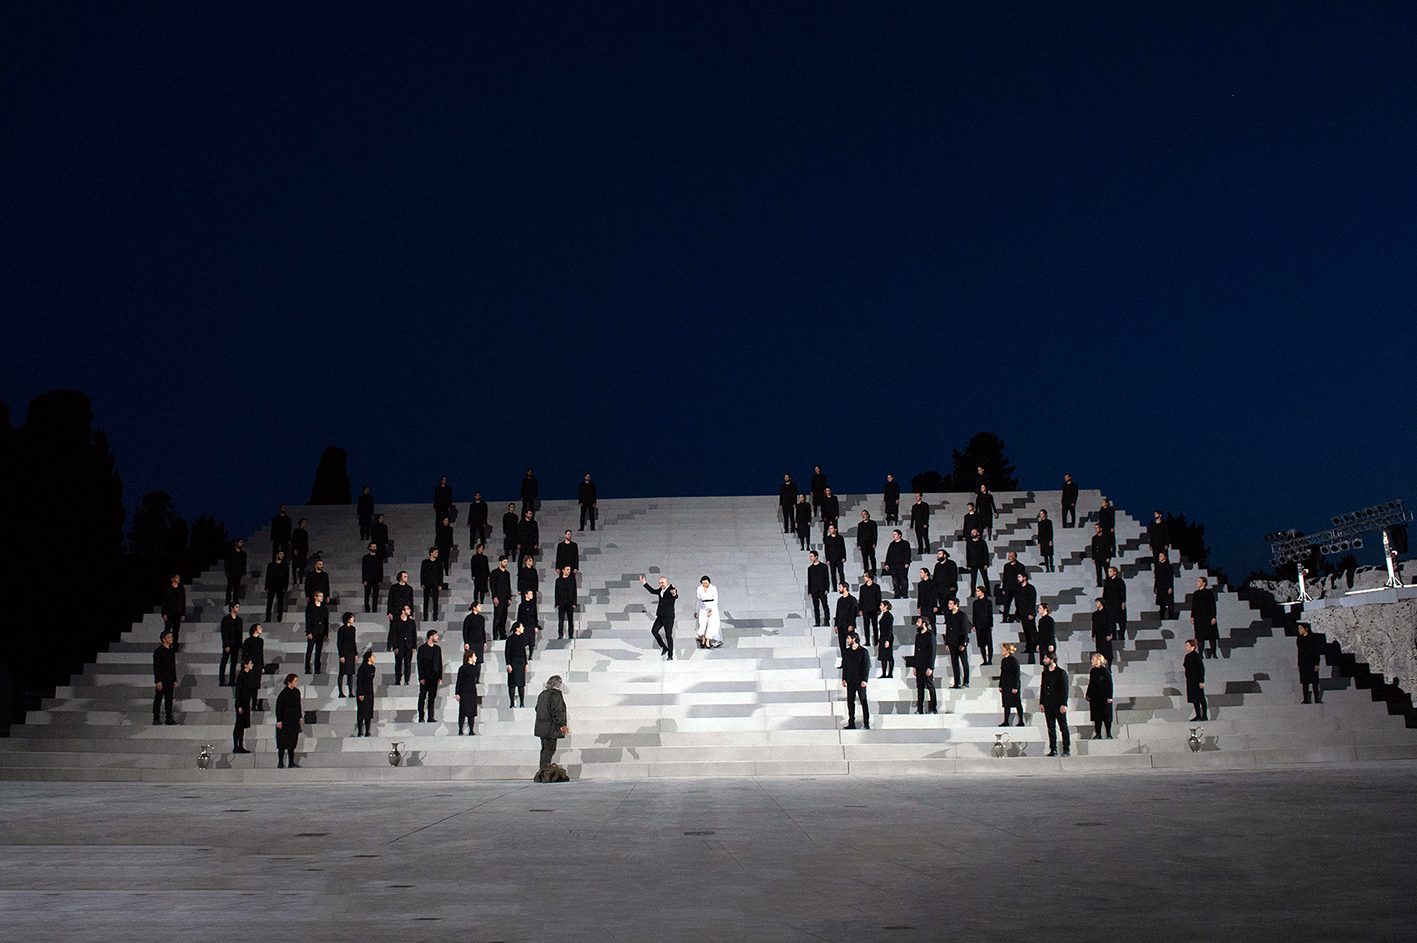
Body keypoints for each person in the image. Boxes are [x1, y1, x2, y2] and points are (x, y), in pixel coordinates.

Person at [1039, 652, 1070, 757]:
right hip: (1048, 704)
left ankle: (1066, 749)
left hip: (1058, 704)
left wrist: (1064, 704)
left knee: (1063, 727)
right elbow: (1043, 688)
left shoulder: (1061, 673)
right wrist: (1042, 703)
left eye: (1046, 658)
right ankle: (1053, 749)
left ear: (1052, 659)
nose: (1044, 660)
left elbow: (1065, 689)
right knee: (1051, 728)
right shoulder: (1045, 673)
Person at [535, 675, 569, 770]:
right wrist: (562, 725)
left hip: (542, 727)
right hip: (551, 728)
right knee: (549, 750)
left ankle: (543, 771)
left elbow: (537, 708)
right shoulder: (556, 695)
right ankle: (544, 772)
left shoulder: (542, 694)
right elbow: (558, 711)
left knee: (545, 750)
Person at [841, 632, 870, 730]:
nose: (847, 641)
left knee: (863, 701)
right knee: (850, 702)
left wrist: (864, 680)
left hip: (860, 680)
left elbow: (866, 667)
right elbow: (845, 666)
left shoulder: (863, 651)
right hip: (850, 680)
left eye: (849, 638)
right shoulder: (847, 651)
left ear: (854, 639)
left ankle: (866, 722)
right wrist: (844, 678)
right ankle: (851, 723)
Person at [274, 673, 302, 768]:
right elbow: (278, 707)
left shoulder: (297, 692)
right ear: (289, 682)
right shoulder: (283, 694)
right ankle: (280, 762)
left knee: (292, 742)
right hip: (285, 720)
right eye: (295, 681)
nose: (296, 683)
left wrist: (300, 717)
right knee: (282, 742)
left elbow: (298, 705)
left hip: (294, 720)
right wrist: (279, 720)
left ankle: (291, 762)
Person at [910, 617, 937, 714]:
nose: (917, 624)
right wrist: (914, 666)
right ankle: (920, 708)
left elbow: (932, 652)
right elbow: (916, 652)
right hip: (919, 665)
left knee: (930, 687)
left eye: (919, 622)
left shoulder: (930, 636)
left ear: (924, 624)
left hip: (927, 666)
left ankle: (933, 708)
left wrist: (931, 667)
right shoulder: (918, 636)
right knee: (920, 688)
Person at [943, 597, 971, 689]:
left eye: (950, 604)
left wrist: (963, 643)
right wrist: (947, 643)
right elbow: (948, 629)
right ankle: (957, 682)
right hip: (952, 643)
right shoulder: (949, 616)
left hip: (960, 643)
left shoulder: (962, 615)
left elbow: (965, 630)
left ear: (956, 605)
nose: (949, 605)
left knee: (964, 662)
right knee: (954, 663)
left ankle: (966, 681)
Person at [232, 657, 258, 753]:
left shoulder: (248, 675)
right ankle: (236, 746)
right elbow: (238, 691)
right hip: (241, 703)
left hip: (246, 702)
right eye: (250, 663)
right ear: (245, 665)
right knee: (239, 725)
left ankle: (240, 745)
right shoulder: (241, 675)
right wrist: (239, 705)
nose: (252, 665)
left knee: (242, 725)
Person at [417, 629, 443, 723]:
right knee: (422, 697)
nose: (438, 637)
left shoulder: (437, 649)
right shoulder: (422, 649)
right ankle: (421, 717)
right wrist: (421, 677)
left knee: (432, 698)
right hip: (425, 677)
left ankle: (430, 717)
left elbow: (440, 663)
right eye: (436, 635)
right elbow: (420, 664)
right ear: (431, 636)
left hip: (434, 677)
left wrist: (440, 677)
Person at [1086, 653, 1114, 739]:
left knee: (1106, 715)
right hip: (1095, 696)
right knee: (1096, 716)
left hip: (1104, 696)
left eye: (1093, 659)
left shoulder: (1105, 671)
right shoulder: (1093, 671)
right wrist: (1088, 694)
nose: (1091, 661)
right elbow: (1091, 683)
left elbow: (1109, 684)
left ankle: (1108, 734)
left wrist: (1109, 696)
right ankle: (1098, 734)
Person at [153, 629, 177, 725]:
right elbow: (157, 667)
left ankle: (169, 718)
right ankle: (156, 718)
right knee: (158, 699)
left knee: (169, 700)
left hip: (170, 679)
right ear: (164, 639)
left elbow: (173, 666)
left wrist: (174, 679)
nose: (172, 639)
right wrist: (158, 681)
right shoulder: (158, 651)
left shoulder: (171, 651)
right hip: (162, 679)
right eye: (169, 637)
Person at [1191, 576, 1219, 658]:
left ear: (1204, 583)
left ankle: (1214, 654)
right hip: (1198, 618)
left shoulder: (1208, 593)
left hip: (1208, 617)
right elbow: (1194, 606)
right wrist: (1192, 616)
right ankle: (1200, 654)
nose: (1197, 582)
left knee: (1212, 637)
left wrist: (1213, 617)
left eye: (1199, 581)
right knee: (1200, 637)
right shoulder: (1196, 593)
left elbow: (1212, 605)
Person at [304, 590, 330, 674]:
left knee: (319, 651)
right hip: (313, 631)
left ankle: (317, 668)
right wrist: (308, 632)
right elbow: (308, 620)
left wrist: (326, 633)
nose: (322, 598)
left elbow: (326, 621)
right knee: (310, 650)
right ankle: (307, 668)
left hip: (321, 632)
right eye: (320, 596)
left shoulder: (324, 608)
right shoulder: (310, 607)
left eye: (322, 596)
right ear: (315, 597)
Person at [456, 650, 481, 735]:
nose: (476, 658)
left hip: (472, 691)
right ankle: (460, 730)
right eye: (474, 656)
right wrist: (457, 693)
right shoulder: (462, 668)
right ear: (470, 657)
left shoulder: (474, 668)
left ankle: (471, 730)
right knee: (463, 711)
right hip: (464, 691)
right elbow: (459, 681)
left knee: (472, 712)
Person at [1297, 622, 1323, 704]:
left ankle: (1317, 699)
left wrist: (1317, 663)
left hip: (1312, 662)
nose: (1299, 630)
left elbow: (1316, 651)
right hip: (1304, 663)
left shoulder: (1312, 638)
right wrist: (1299, 664)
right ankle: (1306, 699)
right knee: (1305, 682)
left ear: (1306, 629)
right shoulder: (1300, 639)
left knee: (1314, 682)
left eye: (1301, 628)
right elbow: (1300, 652)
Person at [241, 624, 266, 711]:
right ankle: (247, 704)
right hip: (250, 665)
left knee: (255, 686)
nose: (261, 629)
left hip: (258, 665)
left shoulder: (260, 641)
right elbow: (244, 653)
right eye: (259, 628)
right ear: (255, 630)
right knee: (249, 686)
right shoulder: (248, 640)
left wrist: (262, 666)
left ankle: (254, 705)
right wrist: (246, 664)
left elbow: (261, 654)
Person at [998, 643, 1024, 727]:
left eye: (1003, 649)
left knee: (1017, 703)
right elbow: (1002, 673)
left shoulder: (1014, 661)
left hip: (1012, 685)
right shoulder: (1004, 661)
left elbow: (1017, 674)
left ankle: (1021, 721)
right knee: (1006, 704)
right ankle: (1006, 721)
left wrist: (1015, 687)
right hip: (1006, 685)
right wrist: (1000, 685)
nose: (1002, 651)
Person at [833, 581, 859, 662]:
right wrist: (836, 625)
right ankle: (844, 661)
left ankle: (852, 661)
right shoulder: (840, 600)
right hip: (841, 625)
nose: (839, 589)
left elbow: (853, 613)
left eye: (840, 587)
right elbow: (837, 613)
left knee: (851, 644)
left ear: (845, 588)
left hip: (848, 626)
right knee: (842, 645)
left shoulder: (852, 599)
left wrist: (851, 624)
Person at [506, 623, 530, 707]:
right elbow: (507, 652)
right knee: (512, 684)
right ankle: (512, 703)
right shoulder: (510, 639)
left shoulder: (522, 638)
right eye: (521, 627)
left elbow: (523, 652)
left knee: (521, 684)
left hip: (521, 663)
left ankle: (522, 703)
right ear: (517, 628)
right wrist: (508, 664)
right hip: (513, 662)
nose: (523, 628)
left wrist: (526, 663)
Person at [391, 605, 416, 685]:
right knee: (398, 663)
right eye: (408, 609)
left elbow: (414, 635)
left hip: (408, 645)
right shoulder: (396, 621)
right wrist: (395, 646)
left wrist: (414, 646)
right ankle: (397, 680)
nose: (410, 610)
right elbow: (393, 634)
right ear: (403, 611)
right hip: (399, 645)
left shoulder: (411, 622)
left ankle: (406, 680)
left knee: (407, 663)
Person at [219, 602, 243, 687]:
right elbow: (224, 633)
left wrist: (240, 645)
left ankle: (232, 680)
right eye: (236, 607)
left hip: (235, 645)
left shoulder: (239, 620)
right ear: (231, 608)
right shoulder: (226, 619)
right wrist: (226, 645)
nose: (237, 609)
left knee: (234, 663)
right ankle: (222, 680)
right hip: (228, 644)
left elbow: (240, 633)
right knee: (224, 662)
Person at [1103, 565, 1128, 646]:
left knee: (1121, 621)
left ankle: (1121, 636)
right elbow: (1105, 593)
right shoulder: (1107, 582)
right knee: (1111, 621)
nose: (1109, 573)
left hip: (1118, 603)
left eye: (1110, 571)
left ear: (1115, 572)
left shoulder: (1120, 581)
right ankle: (1113, 636)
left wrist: (1123, 602)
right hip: (1110, 604)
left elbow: (1123, 592)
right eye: (1108, 571)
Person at [883, 530, 911, 599]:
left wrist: (907, 562)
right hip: (893, 565)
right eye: (893, 534)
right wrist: (887, 564)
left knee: (903, 579)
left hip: (902, 565)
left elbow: (907, 553)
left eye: (895, 534)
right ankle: (897, 593)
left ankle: (904, 593)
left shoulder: (905, 543)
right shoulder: (892, 544)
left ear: (899, 535)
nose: (894, 536)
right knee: (895, 580)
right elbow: (888, 554)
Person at [1184, 639, 1208, 720]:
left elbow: (1201, 669)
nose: (1186, 647)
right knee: (1194, 699)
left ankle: (1204, 715)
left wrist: (1201, 681)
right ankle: (1198, 715)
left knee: (1201, 698)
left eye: (1187, 646)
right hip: (1190, 681)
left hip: (1197, 680)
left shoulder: (1196, 656)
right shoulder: (1187, 656)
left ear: (1193, 647)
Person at [490, 556, 513, 640]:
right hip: (498, 598)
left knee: (504, 617)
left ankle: (503, 634)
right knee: (497, 617)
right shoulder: (494, 573)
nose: (506, 563)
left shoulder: (507, 574)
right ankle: (495, 635)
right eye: (504, 562)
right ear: (500, 562)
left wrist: (509, 598)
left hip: (505, 598)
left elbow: (508, 586)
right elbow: (492, 586)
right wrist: (494, 597)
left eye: (506, 562)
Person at [336, 611, 358, 697]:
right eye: (352, 617)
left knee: (350, 673)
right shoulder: (341, 629)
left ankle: (351, 692)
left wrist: (355, 653)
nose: (353, 619)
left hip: (351, 652)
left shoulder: (353, 629)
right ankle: (340, 692)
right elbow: (339, 643)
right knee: (342, 673)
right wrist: (341, 655)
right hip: (344, 653)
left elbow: (353, 641)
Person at [161, 573, 186, 647]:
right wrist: (164, 613)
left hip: (177, 613)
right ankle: (166, 644)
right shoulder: (168, 589)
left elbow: (183, 602)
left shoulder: (181, 589)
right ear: (172, 579)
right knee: (167, 629)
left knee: (176, 630)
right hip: (169, 612)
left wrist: (183, 613)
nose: (178, 579)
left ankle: (175, 646)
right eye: (177, 577)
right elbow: (164, 602)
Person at [386, 571, 414, 638]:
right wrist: (389, 612)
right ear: (400, 577)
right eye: (405, 576)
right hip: (395, 611)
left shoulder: (409, 588)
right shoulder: (393, 587)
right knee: (393, 629)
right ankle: (390, 645)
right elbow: (390, 600)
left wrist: (411, 614)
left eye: (406, 576)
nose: (406, 578)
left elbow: (411, 602)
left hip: (404, 612)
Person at [697, 576, 722, 649]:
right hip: (703, 606)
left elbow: (715, 600)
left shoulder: (713, 588)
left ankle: (708, 641)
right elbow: (698, 599)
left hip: (712, 606)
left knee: (710, 624)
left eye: (706, 583)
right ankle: (703, 639)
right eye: (703, 583)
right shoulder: (699, 588)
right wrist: (696, 611)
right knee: (703, 623)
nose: (705, 584)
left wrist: (711, 610)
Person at [971, 586, 994, 665]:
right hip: (978, 624)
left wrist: (991, 624)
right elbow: (974, 614)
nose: (977, 593)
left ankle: (990, 660)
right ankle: (984, 660)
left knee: (989, 643)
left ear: (982, 592)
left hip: (986, 624)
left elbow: (990, 614)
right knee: (981, 644)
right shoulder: (975, 603)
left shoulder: (988, 602)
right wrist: (974, 625)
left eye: (978, 591)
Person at [355, 650, 376, 736]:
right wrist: (360, 693)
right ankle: (360, 731)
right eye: (372, 656)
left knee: (369, 712)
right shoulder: (362, 668)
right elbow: (359, 681)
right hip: (363, 691)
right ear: (368, 658)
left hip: (369, 692)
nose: (374, 658)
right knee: (361, 712)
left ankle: (368, 731)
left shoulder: (373, 668)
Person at [806, 551, 830, 626]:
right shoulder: (810, 568)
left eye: (812, 556)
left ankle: (827, 621)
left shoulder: (823, 566)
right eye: (810, 556)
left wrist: (827, 588)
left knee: (825, 605)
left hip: (822, 589)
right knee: (816, 607)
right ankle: (817, 621)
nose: (811, 558)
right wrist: (809, 591)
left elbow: (826, 578)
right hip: (814, 590)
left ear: (816, 557)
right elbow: (809, 580)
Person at [1016, 574, 1038, 657]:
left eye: (1019, 577)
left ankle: (1034, 647)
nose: (1018, 579)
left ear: (1024, 578)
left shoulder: (1030, 588)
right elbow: (1017, 602)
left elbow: (1032, 601)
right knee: (1026, 631)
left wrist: (1031, 613)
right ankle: (1028, 647)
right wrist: (1017, 613)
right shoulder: (1019, 589)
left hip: (1028, 613)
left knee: (1032, 631)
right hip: (1022, 613)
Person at [1000, 552, 1025, 622]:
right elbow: (1005, 577)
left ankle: (1018, 616)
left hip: (1017, 588)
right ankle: (1005, 618)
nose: (1009, 557)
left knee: (1018, 603)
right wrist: (1004, 588)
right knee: (1006, 603)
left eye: (1011, 556)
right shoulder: (1006, 566)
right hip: (1008, 588)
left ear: (1015, 557)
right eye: (1009, 556)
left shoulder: (1020, 566)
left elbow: (1021, 578)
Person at [264, 551, 289, 622]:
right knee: (269, 602)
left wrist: (285, 587)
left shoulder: (285, 565)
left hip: (280, 586)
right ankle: (268, 618)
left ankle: (279, 618)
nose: (282, 556)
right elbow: (268, 576)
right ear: (276, 555)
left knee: (280, 603)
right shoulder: (271, 565)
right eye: (280, 554)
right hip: (272, 585)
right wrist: (266, 586)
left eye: (282, 554)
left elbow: (286, 577)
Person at [858, 573, 881, 647]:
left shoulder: (876, 587)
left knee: (875, 626)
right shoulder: (862, 588)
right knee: (866, 626)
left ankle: (876, 641)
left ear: (869, 577)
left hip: (874, 609)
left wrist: (878, 609)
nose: (864, 578)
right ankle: (867, 641)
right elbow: (861, 599)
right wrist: (860, 609)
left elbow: (878, 599)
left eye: (865, 576)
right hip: (865, 609)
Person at [420, 548, 443, 621]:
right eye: (435, 552)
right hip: (427, 583)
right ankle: (425, 617)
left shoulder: (439, 563)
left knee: (435, 601)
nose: (437, 554)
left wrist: (440, 584)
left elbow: (441, 574)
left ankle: (435, 617)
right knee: (426, 601)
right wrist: (422, 583)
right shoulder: (425, 562)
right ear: (431, 553)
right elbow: (422, 573)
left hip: (435, 584)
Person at [965, 529, 990, 596]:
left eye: (974, 532)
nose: (973, 533)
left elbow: (986, 553)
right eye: (972, 532)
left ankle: (988, 592)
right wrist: (968, 565)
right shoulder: (969, 543)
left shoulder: (982, 542)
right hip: (973, 563)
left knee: (985, 578)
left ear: (978, 533)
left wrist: (986, 563)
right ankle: (972, 593)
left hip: (982, 563)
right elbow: (968, 554)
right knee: (973, 580)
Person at [516, 590, 541, 657]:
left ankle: (530, 656)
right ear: (526, 595)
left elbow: (535, 616)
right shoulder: (521, 605)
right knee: (524, 641)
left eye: (532, 594)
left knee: (531, 641)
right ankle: (524, 655)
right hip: (524, 625)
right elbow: (519, 616)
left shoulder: (533, 605)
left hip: (531, 624)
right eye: (530, 594)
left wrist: (536, 626)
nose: (532, 595)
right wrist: (519, 626)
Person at [555, 566, 577, 639]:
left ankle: (571, 635)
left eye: (570, 570)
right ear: (563, 570)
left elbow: (574, 592)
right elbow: (556, 592)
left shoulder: (572, 580)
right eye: (567, 570)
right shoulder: (558, 580)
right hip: (561, 602)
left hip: (570, 602)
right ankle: (560, 635)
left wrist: (574, 603)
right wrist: (557, 603)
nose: (569, 571)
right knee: (561, 620)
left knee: (570, 620)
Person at [1089, 523, 1113, 588]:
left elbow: (1108, 547)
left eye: (1097, 528)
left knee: (1106, 571)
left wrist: (1108, 557)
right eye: (1095, 528)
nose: (1096, 530)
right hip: (1097, 557)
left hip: (1104, 557)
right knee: (1098, 572)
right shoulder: (1094, 538)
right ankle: (1099, 584)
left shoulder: (1106, 537)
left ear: (1101, 528)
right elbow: (1093, 548)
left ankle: (1108, 584)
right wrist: (1093, 558)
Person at [823, 524, 847, 589]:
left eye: (832, 528)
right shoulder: (827, 539)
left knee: (841, 573)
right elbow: (826, 550)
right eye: (830, 528)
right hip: (831, 559)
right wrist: (827, 559)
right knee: (833, 574)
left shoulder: (840, 538)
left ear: (835, 529)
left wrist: (844, 557)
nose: (830, 530)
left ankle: (843, 586)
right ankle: (835, 588)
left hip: (839, 558)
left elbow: (843, 548)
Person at [225, 538, 247, 606]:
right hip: (231, 572)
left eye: (242, 543)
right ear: (236, 543)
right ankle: (228, 600)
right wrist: (227, 570)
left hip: (238, 573)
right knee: (230, 587)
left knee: (237, 588)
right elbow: (227, 561)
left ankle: (235, 600)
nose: (241, 544)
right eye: (240, 543)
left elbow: (244, 563)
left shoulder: (243, 554)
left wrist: (243, 572)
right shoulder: (231, 552)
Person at [362, 542, 384, 613]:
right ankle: (367, 609)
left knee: (375, 595)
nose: (374, 548)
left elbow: (381, 569)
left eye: (375, 547)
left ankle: (374, 609)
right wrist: (364, 579)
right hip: (368, 579)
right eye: (373, 547)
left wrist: (380, 579)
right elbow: (364, 569)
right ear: (369, 548)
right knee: (367, 594)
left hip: (376, 579)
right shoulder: (365, 558)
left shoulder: (379, 558)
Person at [1090, 598, 1113, 665]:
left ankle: (1109, 666)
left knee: (1107, 651)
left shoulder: (1107, 612)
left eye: (1097, 602)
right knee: (1100, 650)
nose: (1096, 604)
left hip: (1105, 633)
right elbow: (1094, 625)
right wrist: (1093, 634)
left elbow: (1109, 623)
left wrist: (1109, 633)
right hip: (1098, 634)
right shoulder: (1095, 614)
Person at [856, 509, 878, 577]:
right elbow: (859, 535)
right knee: (864, 559)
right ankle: (866, 571)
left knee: (872, 557)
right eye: (862, 515)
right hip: (863, 544)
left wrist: (874, 542)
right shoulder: (860, 524)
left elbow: (875, 533)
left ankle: (874, 570)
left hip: (870, 543)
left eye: (864, 514)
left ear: (868, 515)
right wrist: (858, 544)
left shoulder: (872, 523)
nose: (863, 516)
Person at [1155, 550, 1175, 620]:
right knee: (1161, 603)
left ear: (1165, 557)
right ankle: (1162, 617)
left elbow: (1170, 577)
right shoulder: (1158, 566)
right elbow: (1156, 577)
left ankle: (1171, 617)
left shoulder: (1169, 566)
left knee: (1169, 603)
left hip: (1166, 586)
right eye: (1159, 556)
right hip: (1160, 586)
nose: (1159, 557)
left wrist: (1170, 587)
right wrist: (1156, 587)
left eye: (1161, 556)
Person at [876, 601, 895, 678]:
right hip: (883, 637)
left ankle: (890, 673)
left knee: (889, 655)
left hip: (887, 637)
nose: (880, 607)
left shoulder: (889, 616)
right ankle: (884, 673)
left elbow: (889, 629)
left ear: (886, 606)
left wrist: (887, 640)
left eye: (881, 605)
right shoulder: (884, 615)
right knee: (883, 656)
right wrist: (879, 641)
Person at [290, 518, 309, 587]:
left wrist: (307, 551)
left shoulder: (305, 533)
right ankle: (295, 580)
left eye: (305, 522)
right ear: (300, 523)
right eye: (303, 522)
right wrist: (294, 549)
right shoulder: (296, 531)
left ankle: (301, 580)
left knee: (302, 567)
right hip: (297, 550)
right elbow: (294, 541)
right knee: (295, 566)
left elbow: (306, 543)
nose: (304, 524)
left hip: (303, 551)